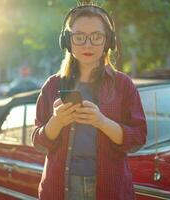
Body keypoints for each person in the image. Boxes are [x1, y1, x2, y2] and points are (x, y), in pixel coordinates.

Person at [32, 4, 147, 200]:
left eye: (96, 36)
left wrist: (102, 122)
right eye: (79, 37)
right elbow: (38, 142)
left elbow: (138, 138)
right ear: (67, 41)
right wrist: (56, 122)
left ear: (108, 41)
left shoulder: (123, 85)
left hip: (111, 189)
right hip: (60, 188)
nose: (87, 45)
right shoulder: (52, 85)